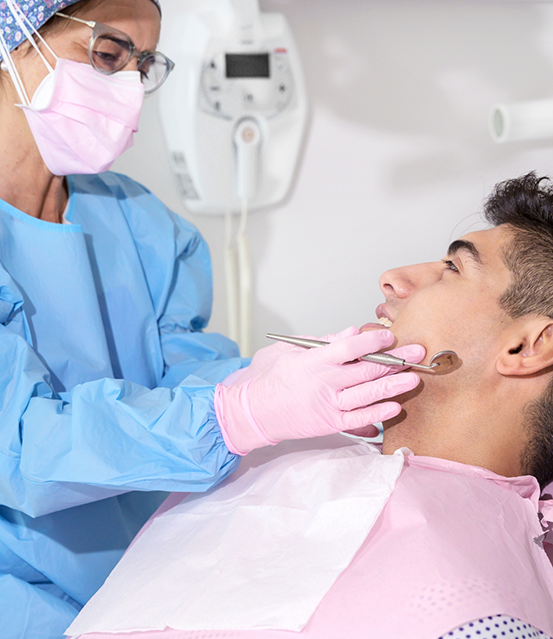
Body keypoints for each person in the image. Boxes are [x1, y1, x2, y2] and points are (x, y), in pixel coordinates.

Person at [0, 1, 425, 638]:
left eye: (142, 67)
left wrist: (268, 381)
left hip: (155, 570)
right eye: (110, 54)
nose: (127, 90)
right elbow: (23, 446)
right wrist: (237, 415)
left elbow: (182, 370)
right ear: (14, 38)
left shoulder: (136, 221)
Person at [66, 172, 553, 639]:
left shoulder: (484, 616)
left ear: (526, 347)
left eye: (452, 268)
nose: (393, 279)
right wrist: (244, 409)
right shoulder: (278, 449)